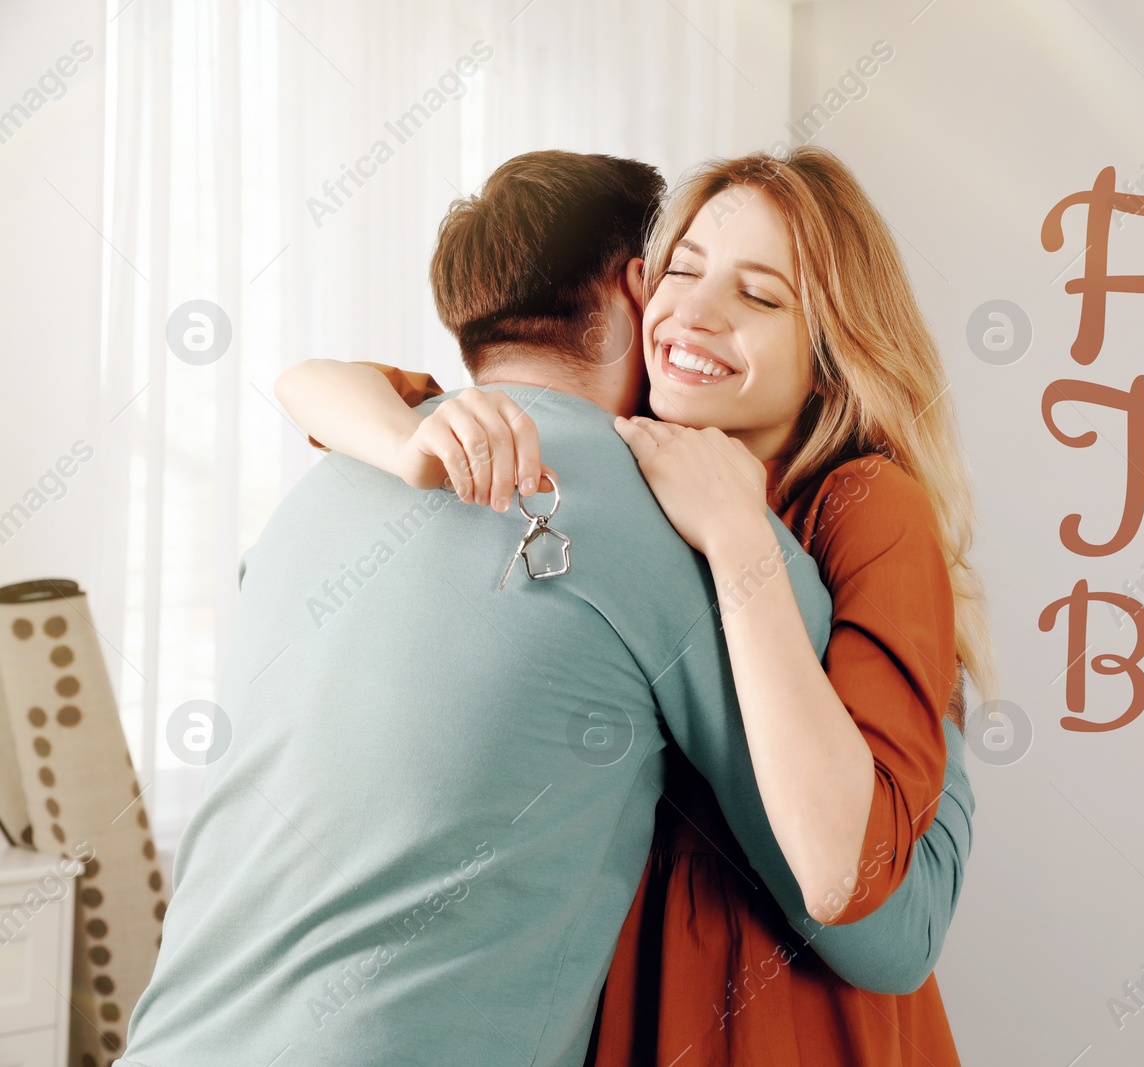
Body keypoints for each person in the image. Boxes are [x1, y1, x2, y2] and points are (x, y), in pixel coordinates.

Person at [115, 150, 971, 1067]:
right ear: (640, 288)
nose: (700, 310)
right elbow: (893, 923)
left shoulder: (324, 494)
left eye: (761, 295)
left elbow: (878, 892)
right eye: (684, 271)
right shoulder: (659, 521)